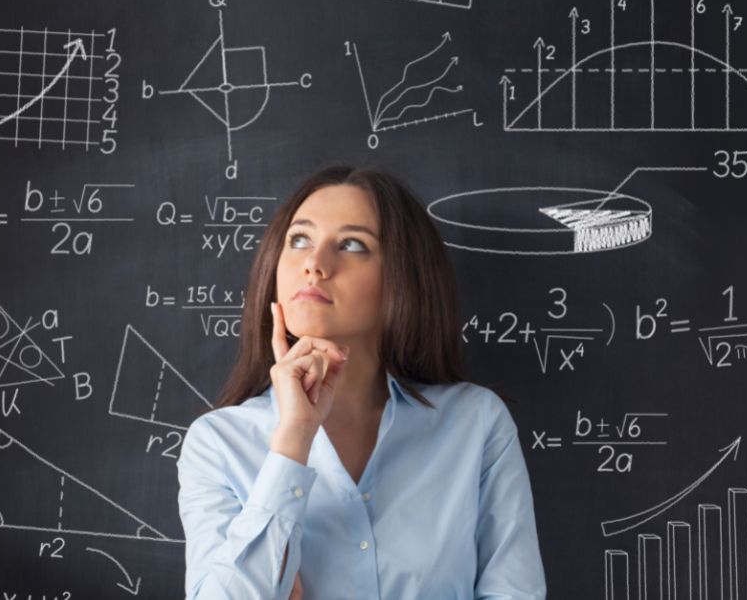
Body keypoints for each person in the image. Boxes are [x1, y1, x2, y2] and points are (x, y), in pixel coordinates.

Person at [177, 163, 547, 599]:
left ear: (401, 278)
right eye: (299, 240)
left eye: (352, 245)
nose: (314, 264)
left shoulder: (476, 424)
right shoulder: (218, 444)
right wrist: (294, 439)